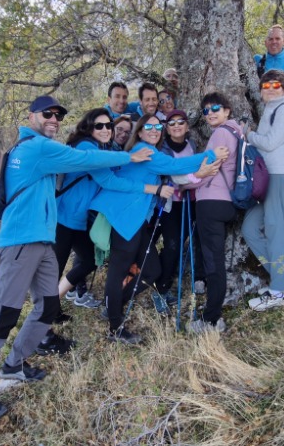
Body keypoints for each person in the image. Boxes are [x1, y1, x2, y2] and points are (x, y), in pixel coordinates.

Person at [0, 95, 154, 420]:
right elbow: (81, 161)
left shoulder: (31, 149)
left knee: (49, 306)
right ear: (32, 116)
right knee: (5, 314)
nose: (54, 119)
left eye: (58, 115)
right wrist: (131, 156)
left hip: (42, 239)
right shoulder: (35, 147)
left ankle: (14, 364)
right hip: (20, 241)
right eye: (47, 114)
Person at [90, 115, 228, 344]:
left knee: (152, 270)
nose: (154, 130)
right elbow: (175, 165)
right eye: (148, 126)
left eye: (157, 126)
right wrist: (212, 155)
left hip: (136, 221)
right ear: (140, 132)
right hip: (123, 217)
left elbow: (174, 173)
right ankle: (115, 327)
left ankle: (114, 305)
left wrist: (192, 176)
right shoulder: (146, 150)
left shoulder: (150, 152)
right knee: (118, 272)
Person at [54, 108, 166, 312]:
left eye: (108, 125)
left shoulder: (102, 147)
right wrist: (135, 165)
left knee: (88, 261)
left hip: (78, 219)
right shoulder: (87, 146)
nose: (106, 129)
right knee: (55, 269)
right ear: (88, 126)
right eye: (100, 125)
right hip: (63, 218)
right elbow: (108, 179)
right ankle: (44, 322)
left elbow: (109, 170)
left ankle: (52, 305)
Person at [181, 92, 240, 333]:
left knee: (213, 263)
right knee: (215, 260)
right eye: (206, 110)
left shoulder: (221, 133)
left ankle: (212, 319)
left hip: (211, 202)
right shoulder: (237, 131)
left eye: (216, 108)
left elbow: (206, 172)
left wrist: (183, 184)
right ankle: (212, 314)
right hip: (228, 202)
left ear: (227, 110)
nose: (210, 113)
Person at [243, 70, 284, 312]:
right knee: (249, 228)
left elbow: (269, 143)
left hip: (281, 173)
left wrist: (247, 133)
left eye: (275, 84)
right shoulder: (271, 109)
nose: (269, 88)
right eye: (264, 84)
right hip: (268, 177)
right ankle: (283, 279)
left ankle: (278, 292)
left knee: (275, 228)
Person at [150, 109, 215, 313]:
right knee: (172, 245)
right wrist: (195, 177)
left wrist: (193, 180)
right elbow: (172, 176)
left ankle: (168, 283)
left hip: (192, 201)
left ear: (187, 126)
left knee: (182, 244)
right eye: (172, 123)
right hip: (171, 204)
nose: (177, 126)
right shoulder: (162, 150)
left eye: (181, 122)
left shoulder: (192, 145)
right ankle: (159, 289)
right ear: (167, 129)